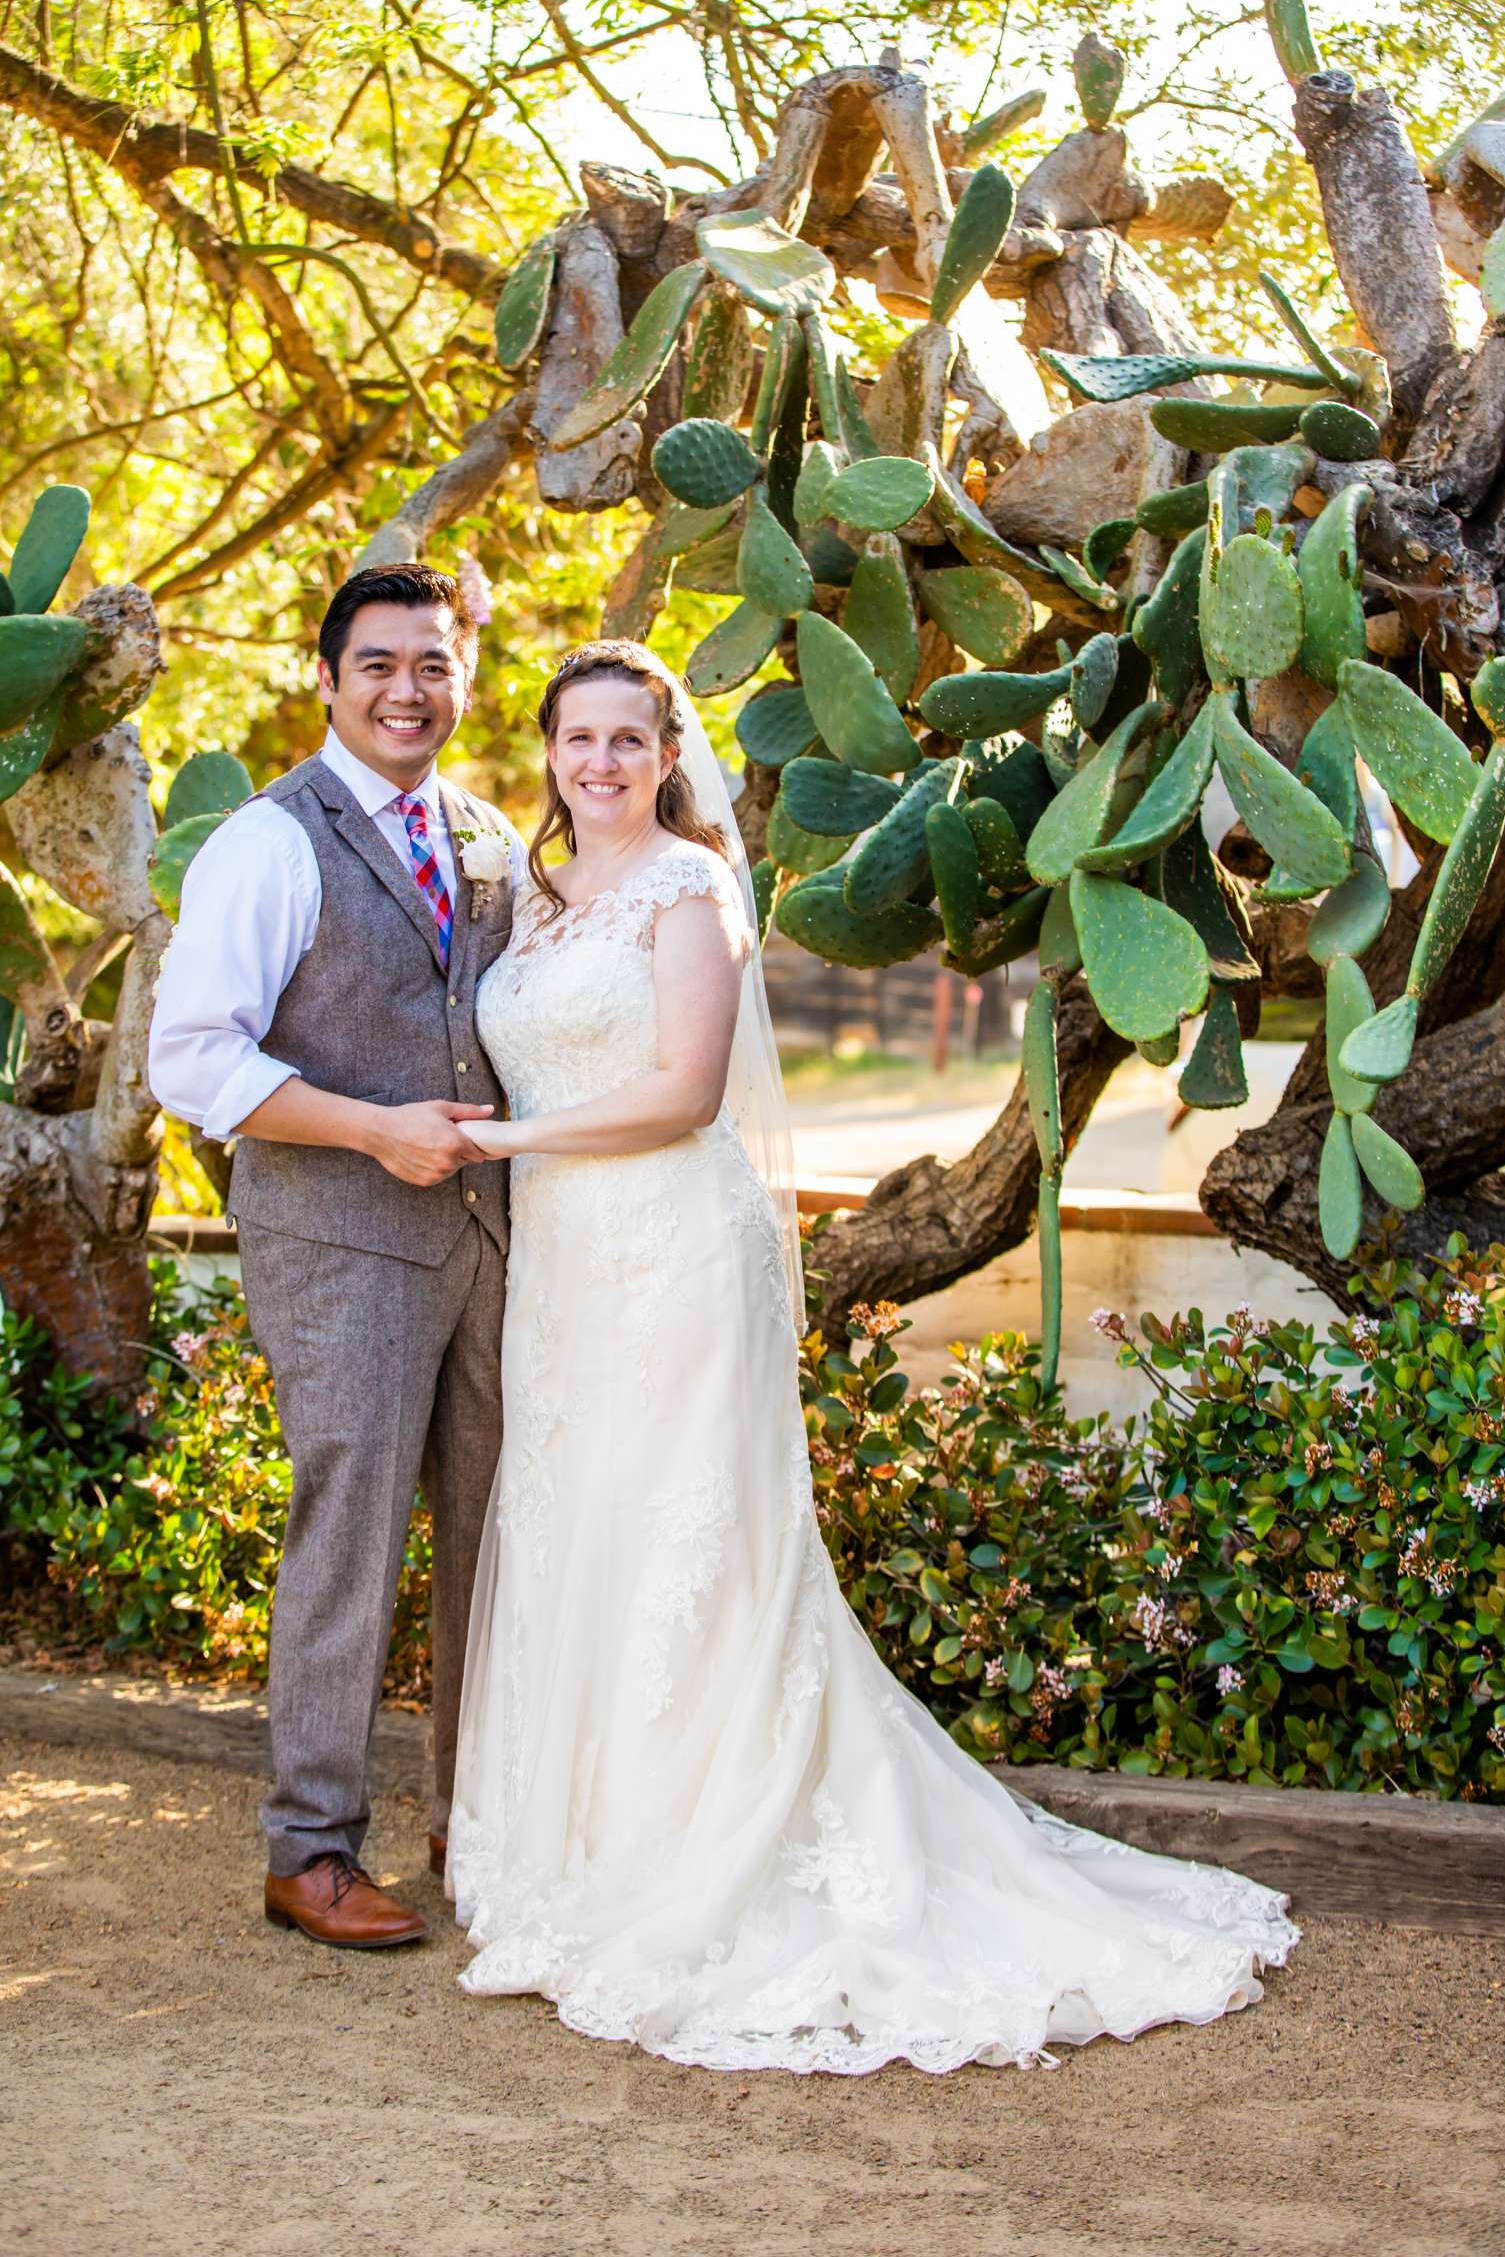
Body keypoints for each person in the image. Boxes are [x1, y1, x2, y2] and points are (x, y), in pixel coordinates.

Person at [446, 637, 1298, 2073]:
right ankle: (574, 1847)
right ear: (548, 752)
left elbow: (681, 1091)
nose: (599, 764)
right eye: (576, 740)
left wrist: (503, 1141)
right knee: (579, 1523)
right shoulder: (528, 898)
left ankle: (696, 1847)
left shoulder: (694, 890)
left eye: (627, 742)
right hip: (563, 1269)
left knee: (687, 1534)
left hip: (667, 1244)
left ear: (668, 759)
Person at [148, 562, 524, 1949]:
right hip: (338, 1240)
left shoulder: (486, 833)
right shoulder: (269, 841)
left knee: (497, 1535)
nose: (408, 689)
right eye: (379, 664)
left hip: (486, 1241)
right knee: (350, 1538)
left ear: (462, 674)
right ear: (328, 678)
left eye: (433, 662)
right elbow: (188, 1059)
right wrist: (376, 1132)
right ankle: (308, 1849)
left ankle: (473, 1822)